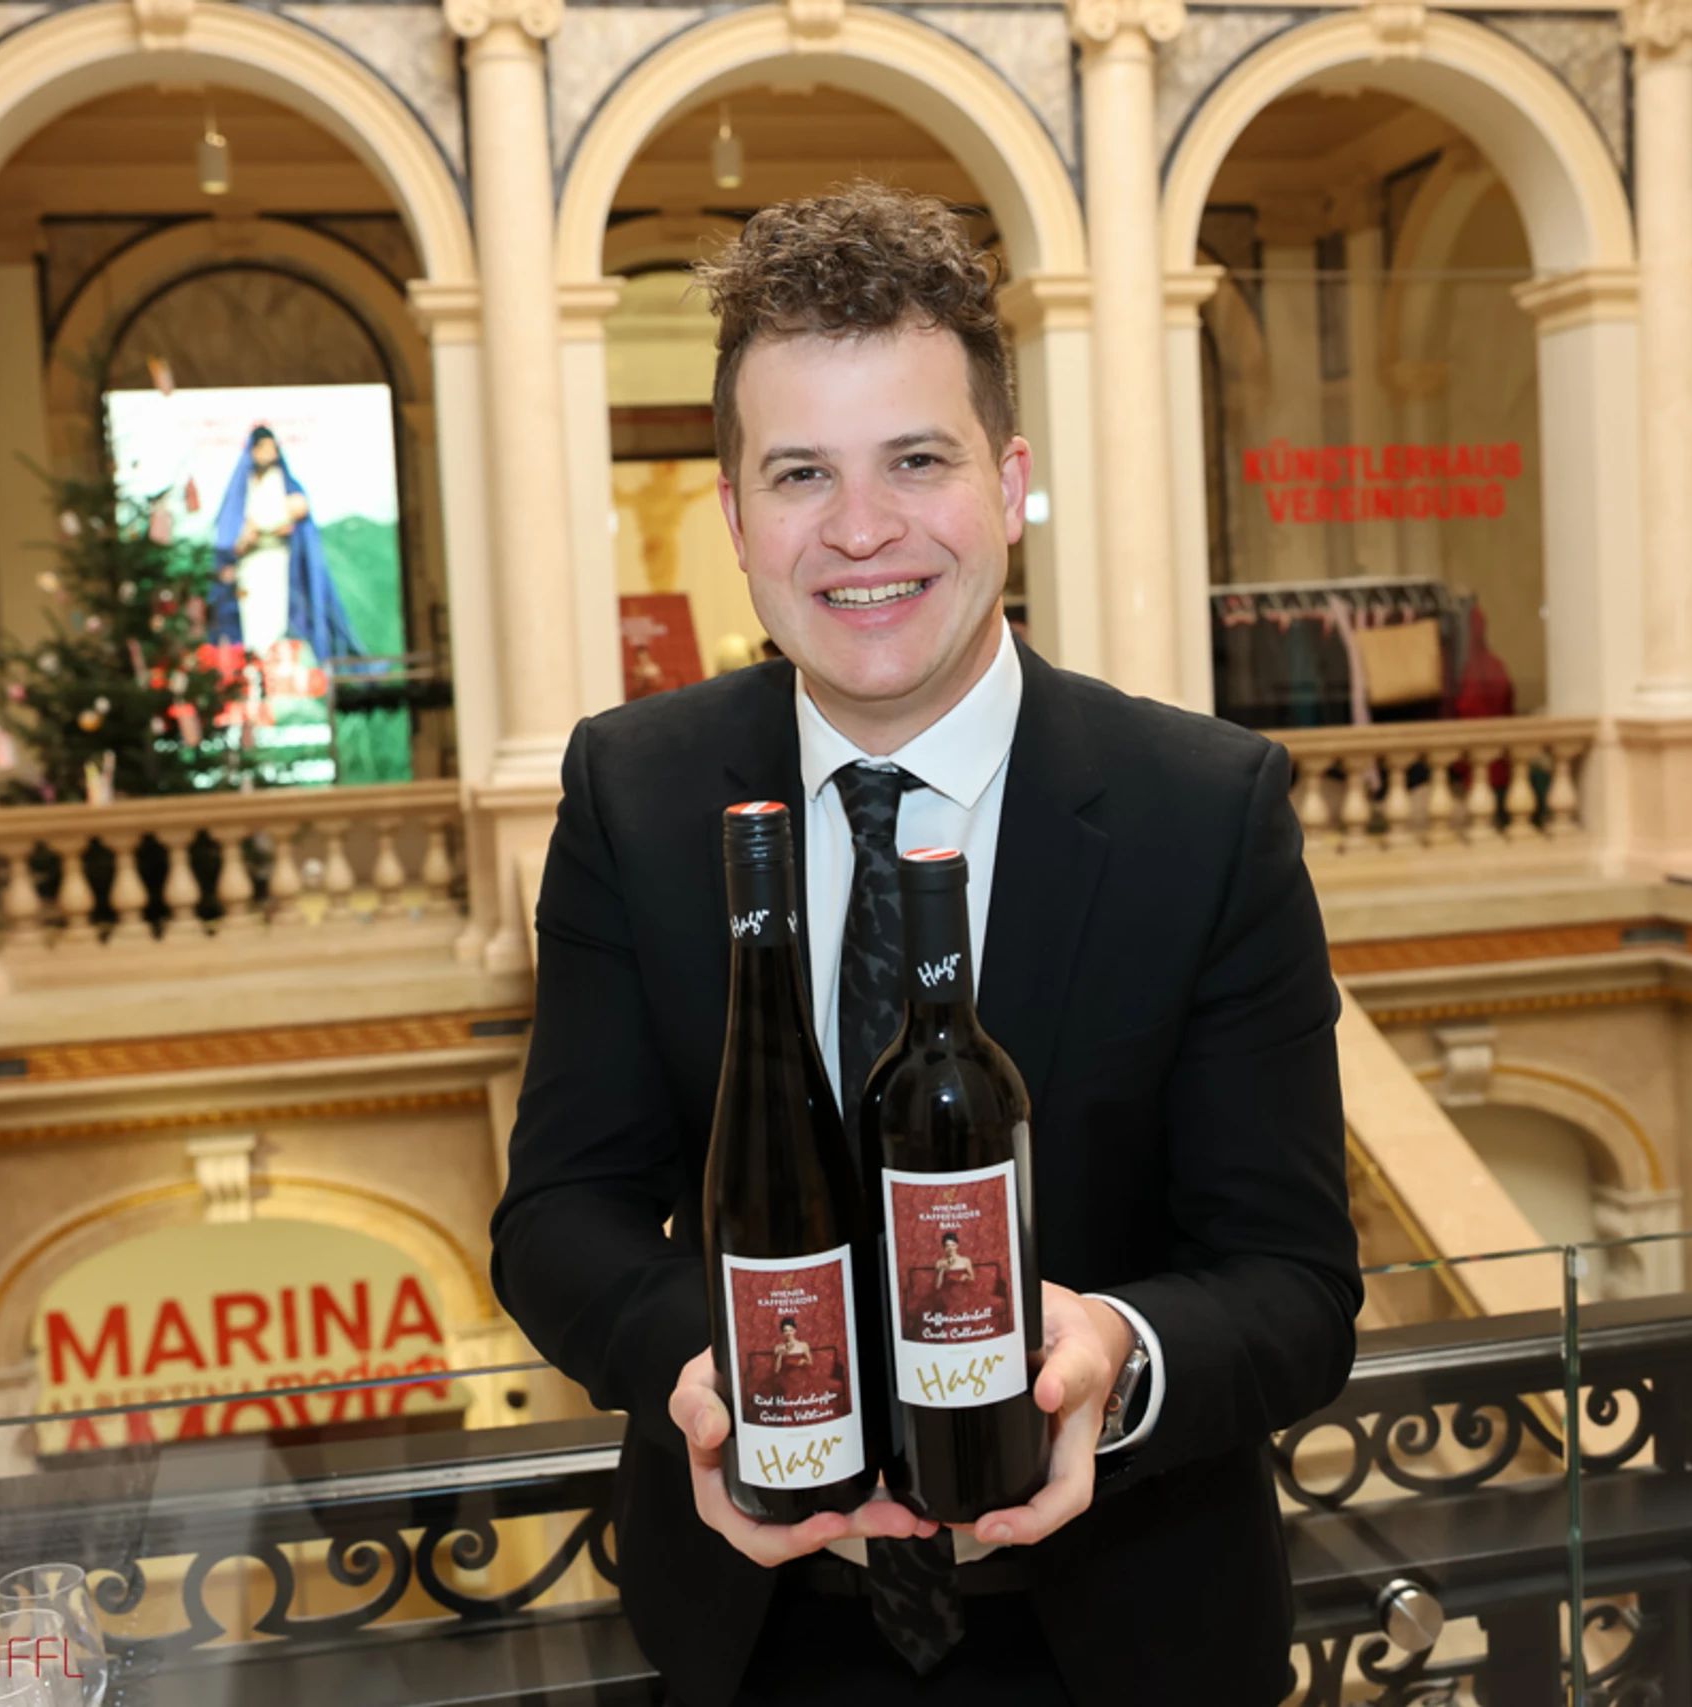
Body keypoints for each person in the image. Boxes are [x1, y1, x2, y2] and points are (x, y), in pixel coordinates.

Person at [491, 184, 1360, 1707]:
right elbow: (561, 1217)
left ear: (1008, 483)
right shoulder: (632, 792)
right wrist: (728, 1380)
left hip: (1125, 1636)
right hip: (756, 1629)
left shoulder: (1206, 810)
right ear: (737, 519)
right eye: (800, 474)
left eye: (916, 460)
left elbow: (1292, 1284)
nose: (860, 530)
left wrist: (1113, 1352)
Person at [207, 425, 362, 673]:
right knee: (252, 626)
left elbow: (297, 509)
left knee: (276, 623)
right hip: (250, 565)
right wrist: (245, 536)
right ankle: (254, 676)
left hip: (278, 561)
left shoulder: (283, 483)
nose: (268, 454)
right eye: (262, 448)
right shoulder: (244, 486)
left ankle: (278, 676)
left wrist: (262, 525)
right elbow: (231, 532)